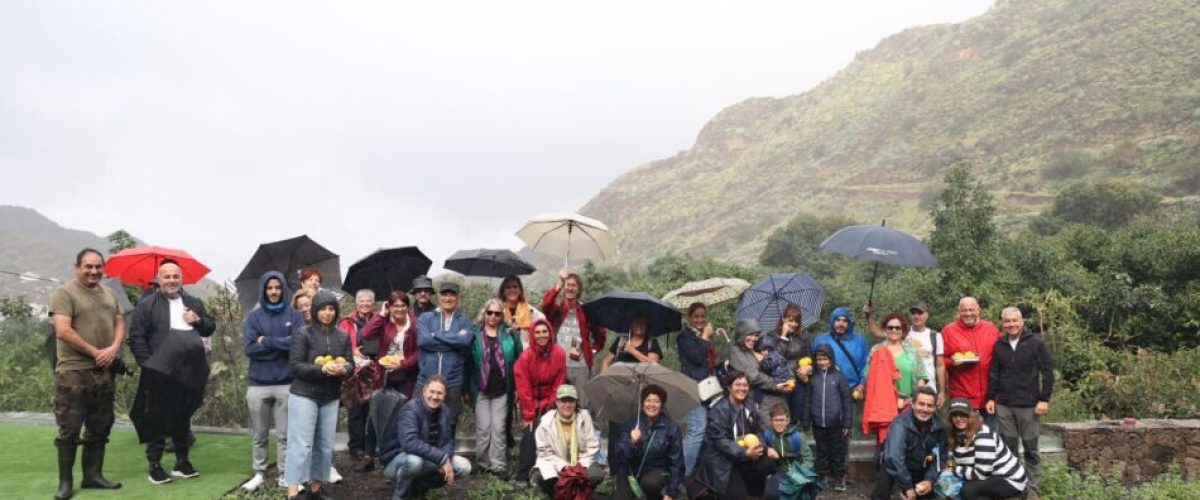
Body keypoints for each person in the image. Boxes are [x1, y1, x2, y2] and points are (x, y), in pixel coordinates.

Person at [128, 260, 216, 485]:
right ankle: (155, 466)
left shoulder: (194, 302)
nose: (171, 280)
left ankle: (182, 462)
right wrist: (148, 364)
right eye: (166, 276)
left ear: (182, 278)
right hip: (158, 370)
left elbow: (209, 327)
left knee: (182, 416)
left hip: (188, 371)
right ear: (159, 279)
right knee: (156, 417)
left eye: (175, 276)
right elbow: (137, 337)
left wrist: (197, 321)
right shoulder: (147, 305)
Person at [49, 248, 126, 500]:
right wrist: (96, 352)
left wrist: (113, 349)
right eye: (88, 267)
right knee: (69, 428)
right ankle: (65, 484)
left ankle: (93, 476)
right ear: (77, 267)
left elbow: (119, 322)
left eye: (98, 267)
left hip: (104, 371)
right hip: (73, 372)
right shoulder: (64, 292)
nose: (94, 271)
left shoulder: (110, 293)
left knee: (100, 425)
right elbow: (62, 330)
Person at [285, 290, 355, 500]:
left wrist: (344, 369)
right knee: (302, 445)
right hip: (304, 395)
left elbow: (350, 364)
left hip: (330, 397)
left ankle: (315, 489)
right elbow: (295, 366)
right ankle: (293, 492)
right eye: (323, 308)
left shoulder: (342, 336)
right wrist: (321, 370)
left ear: (336, 311)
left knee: (324, 445)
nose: (327, 313)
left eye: (331, 308)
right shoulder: (303, 334)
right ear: (315, 311)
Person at [241, 271, 305, 491]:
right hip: (258, 384)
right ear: (263, 290)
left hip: (286, 384)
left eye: (278, 287)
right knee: (259, 435)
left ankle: (285, 474)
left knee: (285, 436)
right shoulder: (254, 317)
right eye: (270, 288)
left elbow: (296, 345)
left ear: (284, 289)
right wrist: (280, 345)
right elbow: (249, 349)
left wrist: (265, 341)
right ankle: (259, 473)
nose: (274, 291)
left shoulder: (294, 315)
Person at [986, 307, 1053, 491]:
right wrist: (991, 397)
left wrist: (1044, 399)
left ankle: (1033, 488)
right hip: (1004, 406)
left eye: (1014, 321)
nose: (1011, 324)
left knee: (1031, 448)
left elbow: (1047, 372)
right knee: (1009, 449)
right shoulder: (999, 345)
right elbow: (994, 373)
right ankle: (1014, 487)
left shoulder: (1035, 343)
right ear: (1003, 323)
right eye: (1007, 321)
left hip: (1028, 405)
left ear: (1022, 322)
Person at [379, 376, 473, 500]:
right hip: (396, 460)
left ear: (445, 395)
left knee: (464, 466)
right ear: (424, 391)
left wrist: (447, 458)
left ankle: (417, 488)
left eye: (439, 393)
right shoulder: (410, 410)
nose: (434, 397)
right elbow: (409, 443)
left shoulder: (445, 411)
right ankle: (400, 496)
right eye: (432, 392)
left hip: (427, 458)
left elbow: (448, 440)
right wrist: (441, 458)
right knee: (414, 461)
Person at [692, 369, 777, 499]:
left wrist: (761, 447)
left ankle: (752, 489)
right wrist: (745, 452)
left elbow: (758, 430)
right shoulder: (719, 410)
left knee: (769, 462)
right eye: (738, 384)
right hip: (724, 461)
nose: (742, 388)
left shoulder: (751, 405)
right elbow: (720, 441)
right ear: (729, 387)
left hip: (746, 456)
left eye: (745, 385)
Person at [466, 299, 523, 476]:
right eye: (489, 312)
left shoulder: (510, 334)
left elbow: (520, 364)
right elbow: (467, 364)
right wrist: (466, 390)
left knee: (498, 429)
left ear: (502, 316)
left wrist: (517, 389)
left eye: (497, 313)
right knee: (483, 429)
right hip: (481, 389)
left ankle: (498, 466)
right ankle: (482, 463)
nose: (492, 316)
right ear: (484, 314)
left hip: (503, 390)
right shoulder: (473, 334)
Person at [513, 318, 567, 488]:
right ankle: (523, 474)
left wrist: (551, 406)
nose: (541, 335)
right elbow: (523, 386)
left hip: (550, 399)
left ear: (550, 333)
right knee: (530, 434)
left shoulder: (559, 353)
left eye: (545, 332)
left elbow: (559, 381)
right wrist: (529, 414)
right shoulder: (525, 357)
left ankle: (545, 473)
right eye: (537, 332)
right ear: (532, 335)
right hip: (530, 399)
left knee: (550, 436)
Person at [541, 267, 606, 403]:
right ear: (564, 288)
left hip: (580, 365)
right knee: (558, 402)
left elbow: (600, 334)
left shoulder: (586, 311)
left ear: (578, 289)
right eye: (568, 285)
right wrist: (560, 281)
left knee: (581, 404)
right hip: (558, 365)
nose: (570, 288)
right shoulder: (557, 310)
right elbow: (546, 304)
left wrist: (592, 350)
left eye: (573, 285)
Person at [862, 313, 928, 446]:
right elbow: (867, 375)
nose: (894, 330)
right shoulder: (877, 350)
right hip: (884, 406)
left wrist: (916, 399)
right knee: (886, 445)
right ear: (885, 329)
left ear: (903, 330)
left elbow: (922, 376)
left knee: (908, 443)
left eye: (897, 328)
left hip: (907, 405)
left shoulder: (912, 350)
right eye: (890, 327)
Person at [871, 386, 946, 500]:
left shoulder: (939, 426)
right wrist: (907, 486)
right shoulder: (899, 424)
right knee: (886, 471)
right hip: (895, 466)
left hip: (921, 466)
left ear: (935, 408)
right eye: (921, 404)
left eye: (930, 405)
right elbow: (894, 457)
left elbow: (941, 456)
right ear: (913, 404)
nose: (925, 409)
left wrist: (930, 480)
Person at [416, 281, 474, 427]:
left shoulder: (464, 320)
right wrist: (455, 340)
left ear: (458, 298)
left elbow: (466, 341)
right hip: (426, 380)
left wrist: (435, 334)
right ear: (438, 297)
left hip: (453, 382)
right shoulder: (426, 318)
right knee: (421, 422)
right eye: (444, 294)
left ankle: (446, 451)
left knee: (449, 424)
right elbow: (423, 341)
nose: (448, 298)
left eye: (452, 295)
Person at [611, 385, 685, 500]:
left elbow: (677, 464)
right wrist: (632, 442)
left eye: (656, 401)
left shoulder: (671, 428)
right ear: (642, 404)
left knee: (650, 483)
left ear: (662, 405)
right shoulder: (632, 423)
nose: (652, 405)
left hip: (657, 470)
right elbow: (619, 454)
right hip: (630, 471)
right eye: (648, 401)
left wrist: (671, 493)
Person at [947, 398, 1027, 500]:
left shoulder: (983, 435)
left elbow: (981, 475)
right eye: (954, 415)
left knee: (968, 491)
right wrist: (951, 465)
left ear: (971, 415)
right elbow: (951, 457)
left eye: (963, 414)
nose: (958, 418)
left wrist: (954, 469)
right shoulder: (955, 433)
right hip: (990, 475)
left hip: (1009, 478)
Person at [533, 385, 606, 497]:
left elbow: (592, 445)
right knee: (542, 476)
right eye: (563, 401)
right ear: (557, 402)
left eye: (571, 401)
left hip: (581, 462)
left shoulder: (584, 416)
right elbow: (544, 451)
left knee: (596, 475)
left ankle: (582, 493)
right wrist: (564, 466)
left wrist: (579, 465)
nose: (567, 405)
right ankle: (556, 494)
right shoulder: (546, 421)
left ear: (576, 402)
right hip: (556, 463)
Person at [801, 344, 852, 492]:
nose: (822, 362)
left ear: (831, 359)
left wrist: (847, 423)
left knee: (838, 451)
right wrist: (806, 420)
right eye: (819, 359)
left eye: (825, 359)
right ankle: (823, 476)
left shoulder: (839, 377)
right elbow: (808, 401)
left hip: (836, 423)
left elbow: (847, 401)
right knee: (822, 451)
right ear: (815, 361)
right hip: (818, 423)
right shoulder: (813, 379)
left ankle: (839, 477)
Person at [811, 307, 869, 432]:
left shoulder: (860, 341)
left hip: (851, 391)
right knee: (827, 429)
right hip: (826, 391)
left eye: (844, 320)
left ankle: (846, 451)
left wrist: (863, 384)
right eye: (837, 320)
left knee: (846, 429)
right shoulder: (820, 340)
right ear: (832, 321)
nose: (841, 324)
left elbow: (866, 365)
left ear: (849, 323)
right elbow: (813, 363)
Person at [676, 302, 716, 476]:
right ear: (689, 318)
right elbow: (698, 358)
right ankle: (681, 476)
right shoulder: (684, 337)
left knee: (707, 431)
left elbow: (708, 363)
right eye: (696, 316)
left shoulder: (702, 335)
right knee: (697, 428)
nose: (700, 319)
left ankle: (697, 477)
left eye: (702, 316)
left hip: (708, 390)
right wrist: (705, 337)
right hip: (691, 387)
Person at [339, 289, 378, 468]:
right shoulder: (347, 322)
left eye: (368, 301)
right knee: (355, 411)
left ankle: (371, 447)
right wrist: (352, 350)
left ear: (373, 303)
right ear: (356, 303)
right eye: (361, 301)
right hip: (354, 372)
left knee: (373, 411)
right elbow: (340, 342)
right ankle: (356, 448)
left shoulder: (378, 320)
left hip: (374, 371)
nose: (365, 304)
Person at [943, 297, 1000, 413]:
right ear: (959, 311)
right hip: (962, 397)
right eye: (964, 310)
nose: (968, 313)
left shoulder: (991, 329)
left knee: (989, 431)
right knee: (965, 431)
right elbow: (939, 362)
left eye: (971, 309)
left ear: (978, 310)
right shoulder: (948, 331)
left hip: (990, 398)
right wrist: (952, 362)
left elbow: (1002, 356)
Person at [362, 291, 420, 398]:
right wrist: (381, 314)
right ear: (390, 307)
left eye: (403, 305)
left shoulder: (415, 323)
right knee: (385, 410)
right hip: (384, 375)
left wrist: (403, 364)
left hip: (406, 377)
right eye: (395, 306)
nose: (399, 309)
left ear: (408, 307)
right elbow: (366, 334)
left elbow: (419, 351)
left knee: (403, 410)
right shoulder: (384, 320)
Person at [728, 319, 792, 413]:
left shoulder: (756, 347)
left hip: (770, 394)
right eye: (750, 334)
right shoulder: (736, 351)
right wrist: (775, 384)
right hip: (752, 399)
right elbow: (753, 376)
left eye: (756, 335)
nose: (754, 338)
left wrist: (767, 357)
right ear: (742, 334)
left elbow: (778, 360)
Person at [762, 404, 820, 500]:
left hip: (799, 471)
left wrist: (799, 474)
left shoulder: (797, 437)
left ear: (787, 421)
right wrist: (767, 449)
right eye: (776, 420)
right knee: (770, 495)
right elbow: (761, 445)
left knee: (802, 495)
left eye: (782, 420)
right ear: (771, 421)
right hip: (781, 471)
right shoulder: (768, 435)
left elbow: (808, 459)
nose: (779, 423)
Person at [498, 275, 544, 348]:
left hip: (524, 351)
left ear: (520, 290)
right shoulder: (497, 310)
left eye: (515, 287)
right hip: (503, 351)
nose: (512, 290)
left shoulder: (529, 310)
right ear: (503, 291)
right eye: (508, 287)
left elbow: (542, 320)